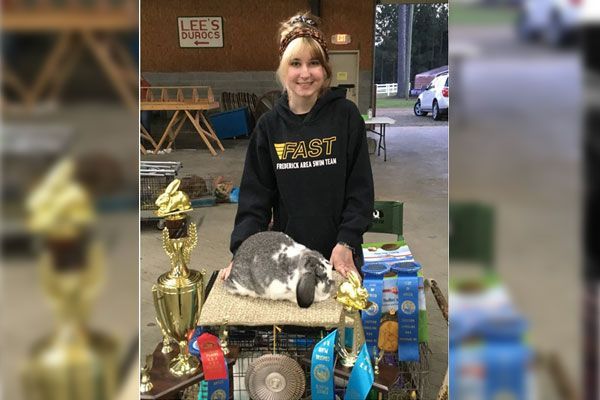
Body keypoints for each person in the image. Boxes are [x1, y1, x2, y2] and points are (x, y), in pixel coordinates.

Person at [220, 11, 374, 280]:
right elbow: (254, 203)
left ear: (325, 70)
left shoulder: (346, 116)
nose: (305, 73)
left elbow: (360, 190)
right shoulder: (268, 127)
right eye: (295, 63)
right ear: (283, 69)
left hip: (340, 255)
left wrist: (347, 241)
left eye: (314, 63)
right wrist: (242, 253)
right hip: (288, 261)